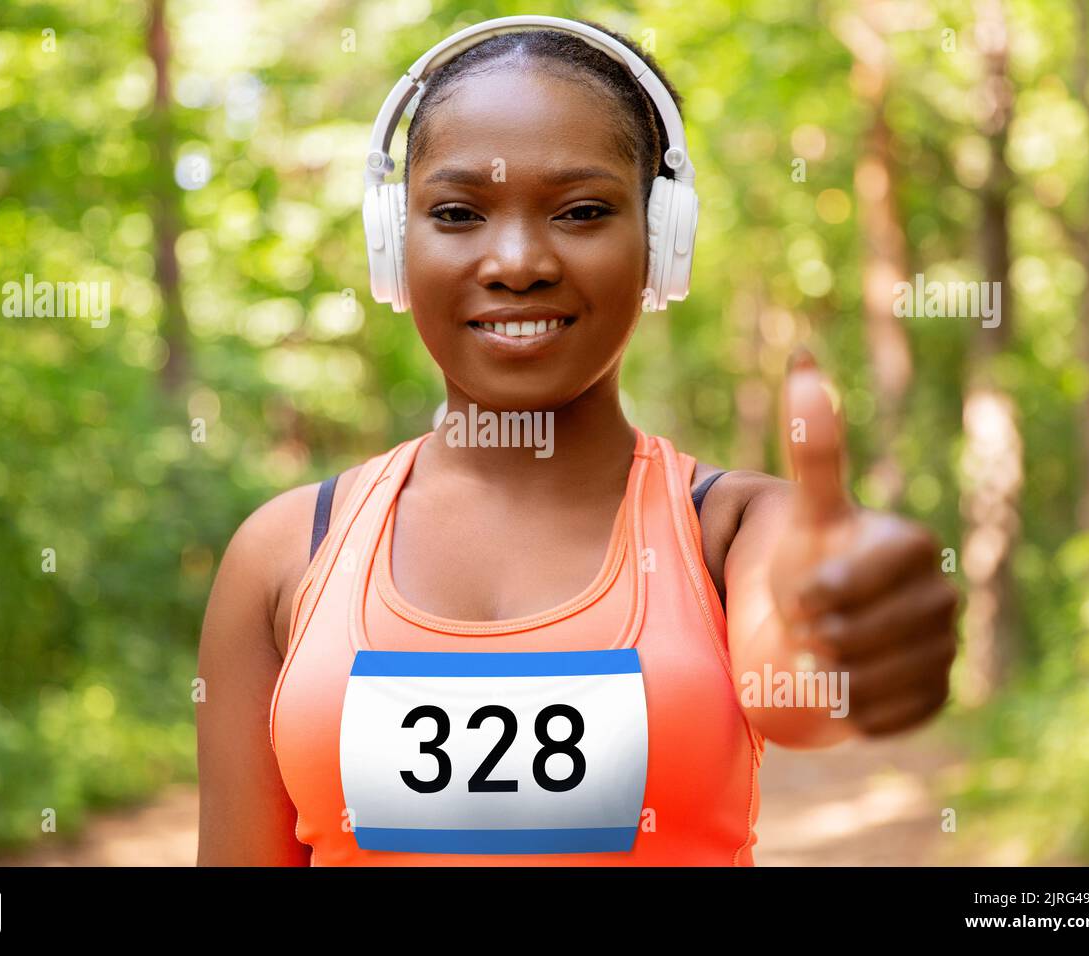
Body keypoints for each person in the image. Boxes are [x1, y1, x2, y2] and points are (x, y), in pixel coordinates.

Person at [196, 18, 958, 866]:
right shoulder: (285, 553)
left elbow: (803, 689)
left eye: (583, 210)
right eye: (456, 213)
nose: (518, 261)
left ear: (661, 243)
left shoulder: (739, 529)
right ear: (393, 244)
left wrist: (843, 637)